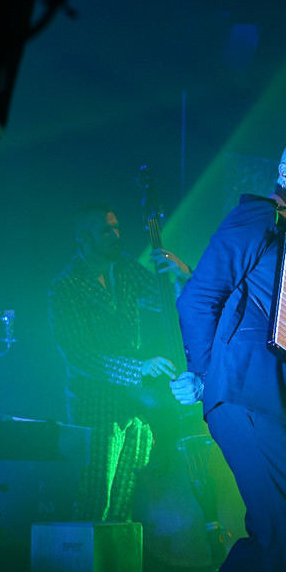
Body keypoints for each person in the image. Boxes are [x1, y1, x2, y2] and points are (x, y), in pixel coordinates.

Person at [170, 138, 286, 572]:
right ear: (284, 175)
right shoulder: (259, 216)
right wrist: (204, 374)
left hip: (273, 401)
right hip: (246, 395)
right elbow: (198, 297)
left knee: (272, 537)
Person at [48, 203, 191, 522]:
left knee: (124, 503)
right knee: (94, 499)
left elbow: (168, 303)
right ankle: (84, 570)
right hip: (94, 405)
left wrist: (183, 276)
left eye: (117, 228)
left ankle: (113, 571)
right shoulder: (65, 288)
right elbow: (80, 356)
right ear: (84, 238)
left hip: (135, 406)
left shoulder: (125, 268)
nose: (116, 235)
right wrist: (138, 368)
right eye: (106, 230)